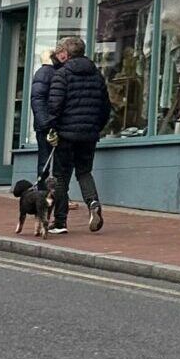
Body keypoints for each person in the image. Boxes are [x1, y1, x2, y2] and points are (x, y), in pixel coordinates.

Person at [46, 35, 111, 234]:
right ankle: (93, 204)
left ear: (66, 53)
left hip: (66, 134)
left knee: (60, 177)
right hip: (89, 134)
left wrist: (52, 128)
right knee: (84, 172)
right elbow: (106, 107)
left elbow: (55, 106)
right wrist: (95, 127)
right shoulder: (97, 75)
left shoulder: (62, 75)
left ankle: (60, 222)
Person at [29, 49, 60, 190]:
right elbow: (38, 99)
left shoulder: (44, 73)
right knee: (47, 161)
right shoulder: (48, 73)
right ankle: (43, 191)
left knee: (45, 160)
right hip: (48, 125)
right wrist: (46, 124)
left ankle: (45, 192)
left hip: (46, 124)